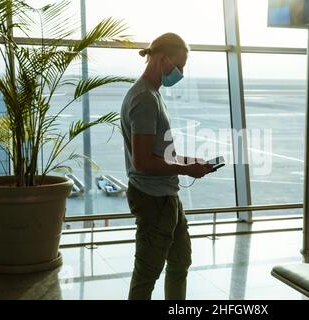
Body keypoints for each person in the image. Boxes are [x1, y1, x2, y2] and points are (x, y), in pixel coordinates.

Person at [120, 33, 214, 300]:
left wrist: (189, 162)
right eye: (179, 66)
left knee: (180, 262)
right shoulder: (144, 99)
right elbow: (144, 162)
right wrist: (186, 169)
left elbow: (160, 154)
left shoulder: (153, 95)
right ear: (162, 59)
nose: (181, 73)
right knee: (147, 275)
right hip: (153, 199)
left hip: (167, 196)